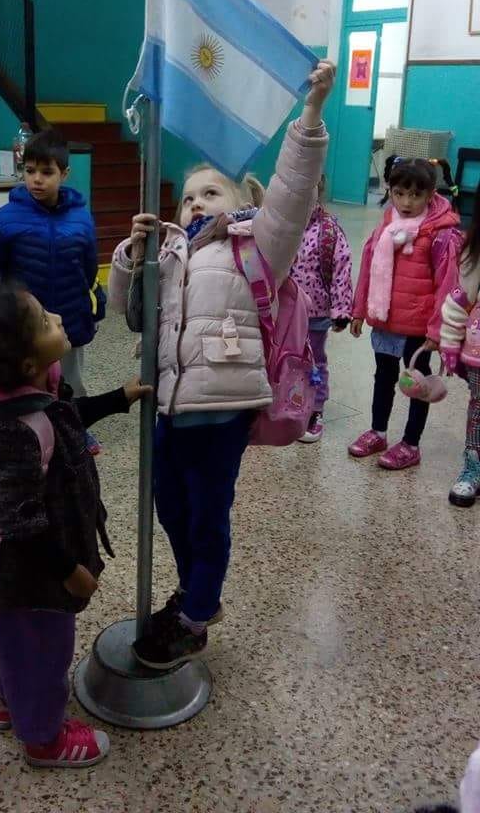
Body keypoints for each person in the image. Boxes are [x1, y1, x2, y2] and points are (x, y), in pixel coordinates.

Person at [108, 60, 335, 670]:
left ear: (242, 202)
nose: (195, 203)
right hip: (170, 405)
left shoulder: (258, 245)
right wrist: (132, 255)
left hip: (221, 407)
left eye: (211, 192)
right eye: (187, 196)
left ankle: (196, 615)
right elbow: (128, 316)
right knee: (169, 506)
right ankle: (195, 592)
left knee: (207, 513)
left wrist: (309, 114)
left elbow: (291, 192)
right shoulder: (171, 253)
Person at [0, 287, 150, 768]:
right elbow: (22, 520)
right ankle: (43, 739)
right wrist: (69, 570)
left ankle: (11, 703)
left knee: (13, 639)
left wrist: (119, 398)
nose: (59, 318)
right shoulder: (13, 430)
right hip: (34, 571)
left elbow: (63, 418)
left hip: (14, 571)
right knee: (45, 651)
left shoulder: (16, 400)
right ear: (26, 364)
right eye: (46, 321)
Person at [349, 157, 461, 469]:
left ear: (430, 194)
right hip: (385, 320)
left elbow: (448, 285)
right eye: (399, 193)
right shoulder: (386, 225)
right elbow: (369, 269)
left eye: (415, 195)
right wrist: (359, 311)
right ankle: (378, 431)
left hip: (419, 328)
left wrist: (438, 330)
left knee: (417, 385)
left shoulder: (441, 234)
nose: (406, 202)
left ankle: (411, 444)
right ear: (390, 191)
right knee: (383, 377)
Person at [0, 129, 104, 403]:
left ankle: (75, 432)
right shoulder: (6, 218)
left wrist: (90, 307)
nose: (36, 179)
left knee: (70, 385)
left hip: (69, 318)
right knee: (26, 385)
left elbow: (89, 270)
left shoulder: (81, 218)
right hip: (23, 321)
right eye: (30, 171)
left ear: (64, 173)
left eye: (47, 172)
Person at [290, 175, 353, 442]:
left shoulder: (329, 230)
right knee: (287, 360)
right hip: (286, 311)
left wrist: (341, 310)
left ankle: (315, 409)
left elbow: (342, 270)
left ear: (319, 191)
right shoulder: (282, 225)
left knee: (315, 361)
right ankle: (289, 405)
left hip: (316, 313)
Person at [440, 183, 480, 506]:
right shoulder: (476, 250)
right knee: (479, 410)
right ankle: (472, 467)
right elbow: (459, 301)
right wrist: (450, 345)